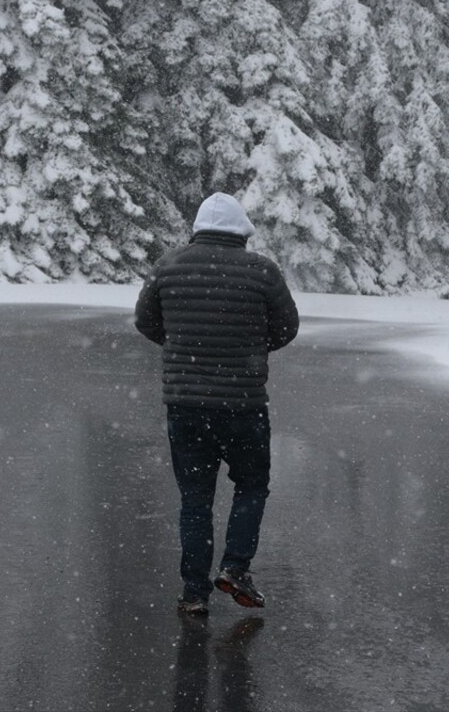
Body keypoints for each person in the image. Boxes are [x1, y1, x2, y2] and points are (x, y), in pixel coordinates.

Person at [134, 192, 299, 615]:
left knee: (195, 499)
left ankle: (194, 592)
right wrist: (249, 349)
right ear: (241, 231)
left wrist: (182, 348)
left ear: (198, 229)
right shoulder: (262, 272)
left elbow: (146, 322)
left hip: (185, 406)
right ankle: (235, 567)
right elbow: (286, 327)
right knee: (251, 486)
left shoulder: (168, 267)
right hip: (244, 404)